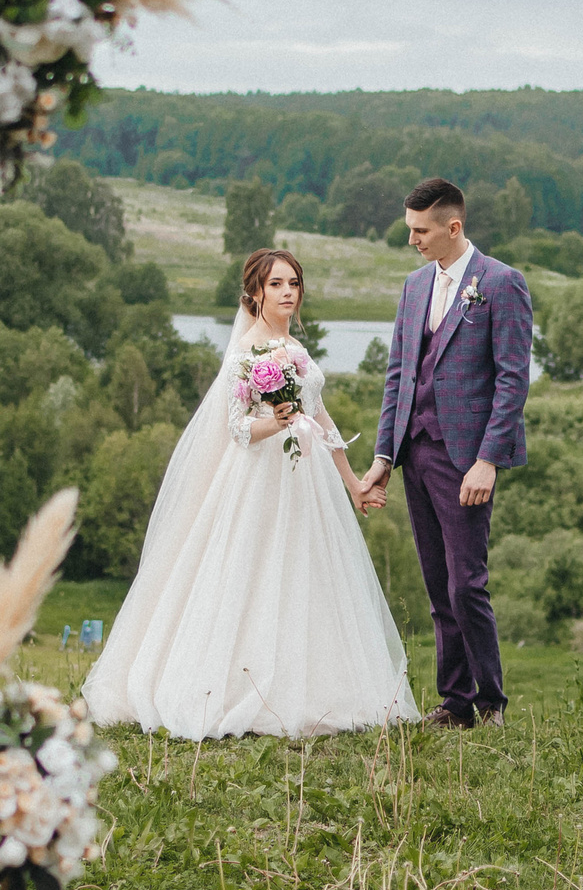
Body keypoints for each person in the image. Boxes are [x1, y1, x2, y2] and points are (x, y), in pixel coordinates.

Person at [82, 249, 419, 738]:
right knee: (251, 572)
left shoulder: (296, 351)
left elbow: (320, 418)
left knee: (310, 573)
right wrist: (275, 421)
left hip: (307, 480)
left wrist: (353, 484)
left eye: (294, 283)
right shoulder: (245, 353)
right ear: (256, 293)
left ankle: (321, 688)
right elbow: (238, 430)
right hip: (258, 480)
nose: (287, 292)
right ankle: (241, 686)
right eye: (277, 284)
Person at [357, 178, 534, 728]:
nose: (412, 239)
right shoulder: (413, 287)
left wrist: (489, 459)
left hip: (467, 458)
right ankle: (455, 703)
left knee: (467, 583)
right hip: (418, 452)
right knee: (438, 585)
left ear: (452, 227)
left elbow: (512, 381)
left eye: (420, 230)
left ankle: (491, 703)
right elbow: (398, 377)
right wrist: (384, 456)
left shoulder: (502, 284)